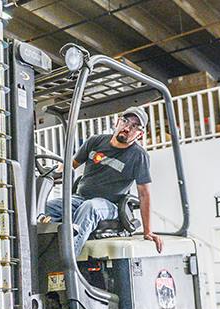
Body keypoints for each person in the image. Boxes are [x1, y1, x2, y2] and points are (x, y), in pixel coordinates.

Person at [41, 106, 163, 254]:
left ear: (140, 135)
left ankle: (66, 264)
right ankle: (42, 256)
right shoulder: (96, 142)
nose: (127, 127)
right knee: (44, 207)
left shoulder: (138, 156)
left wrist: (148, 231)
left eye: (135, 126)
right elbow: (70, 165)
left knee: (90, 207)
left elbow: (144, 194)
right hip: (80, 198)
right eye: (125, 121)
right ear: (116, 122)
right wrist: (49, 174)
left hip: (110, 206)